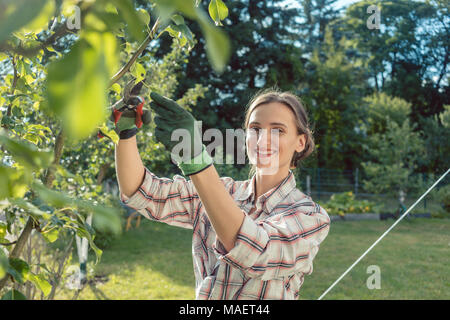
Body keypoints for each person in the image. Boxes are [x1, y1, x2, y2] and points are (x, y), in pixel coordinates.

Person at [115, 87, 330, 300]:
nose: (263, 139)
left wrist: (196, 161)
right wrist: (126, 133)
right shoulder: (221, 191)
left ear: (300, 142)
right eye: (255, 128)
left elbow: (255, 251)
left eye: (278, 130)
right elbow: (143, 192)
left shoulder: (311, 216)